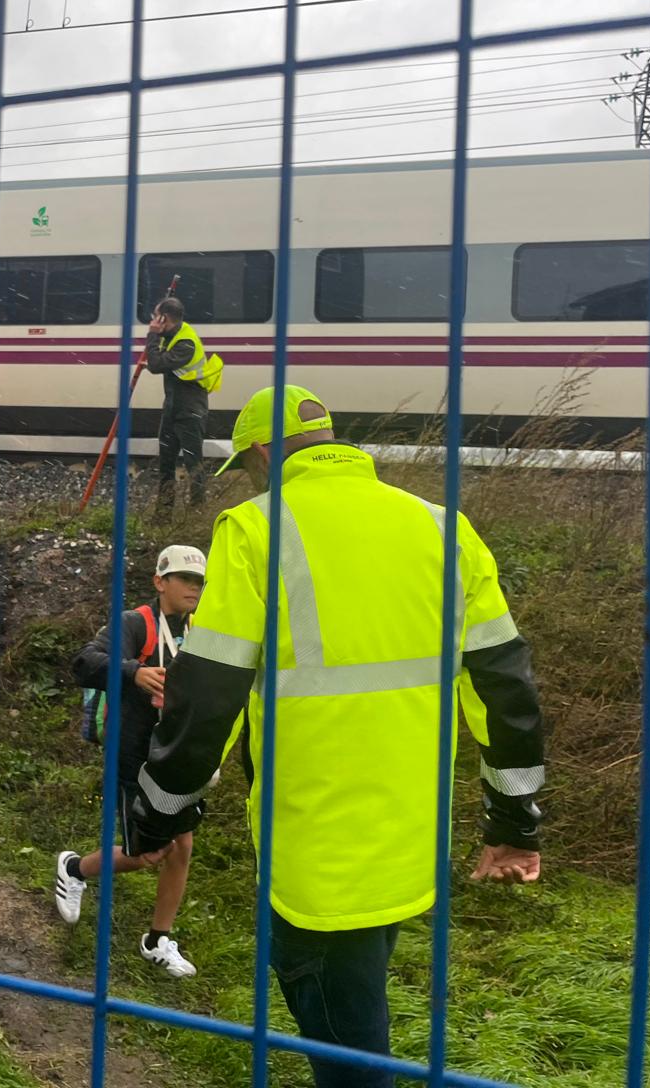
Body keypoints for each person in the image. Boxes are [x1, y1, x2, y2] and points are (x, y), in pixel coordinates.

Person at [126, 385, 545, 1088]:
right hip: (408, 842)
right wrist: (514, 821)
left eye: (250, 468)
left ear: (262, 452)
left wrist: (162, 807)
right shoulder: (444, 527)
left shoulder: (257, 529)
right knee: (360, 1016)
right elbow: (505, 688)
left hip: (314, 851)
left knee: (350, 1056)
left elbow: (209, 691)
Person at [54, 544, 207, 978]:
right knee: (149, 854)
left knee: (183, 847)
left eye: (199, 581)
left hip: (180, 756)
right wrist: (133, 673)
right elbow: (85, 662)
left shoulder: (203, 629)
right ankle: (74, 868)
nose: (193, 588)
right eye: (184, 579)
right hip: (135, 755)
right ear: (160, 582)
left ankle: (158, 939)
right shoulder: (134, 623)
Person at [145, 297, 220, 515]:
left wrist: (152, 334)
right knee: (166, 466)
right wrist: (158, 337)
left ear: (164, 318)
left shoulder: (186, 342)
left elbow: (156, 364)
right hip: (173, 409)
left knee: (193, 466)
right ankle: (163, 515)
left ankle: (196, 514)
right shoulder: (174, 335)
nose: (153, 321)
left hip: (189, 412)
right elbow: (158, 361)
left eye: (156, 317)